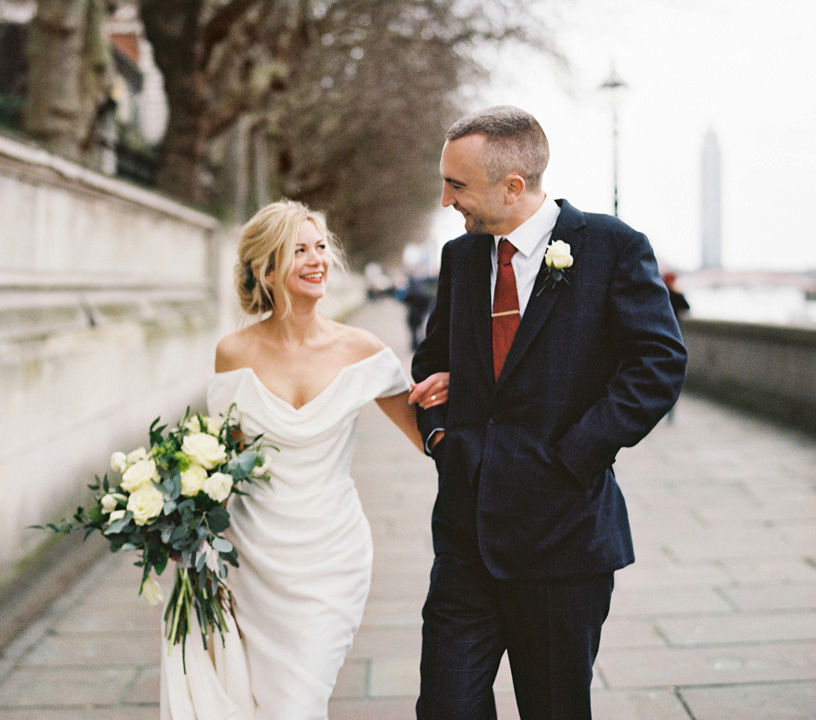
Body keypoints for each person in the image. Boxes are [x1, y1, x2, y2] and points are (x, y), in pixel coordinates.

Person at [408, 106, 687, 720]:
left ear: (512, 185)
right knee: (445, 707)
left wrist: (575, 456)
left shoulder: (613, 248)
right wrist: (440, 439)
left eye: (457, 184)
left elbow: (659, 365)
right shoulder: (460, 259)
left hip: (563, 540)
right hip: (465, 538)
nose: (446, 198)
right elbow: (429, 361)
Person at [161, 199, 450, 720]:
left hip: (329, 561)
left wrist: (461, 400)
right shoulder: (233, 353)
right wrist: (181, 523)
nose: (317, 259)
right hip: (249, 562)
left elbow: (428, 437)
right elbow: (224, 458)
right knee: (261, 705)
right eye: (299, 250)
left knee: (297, 703)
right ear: (264, 269)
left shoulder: (362, 350)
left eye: (320, 247)